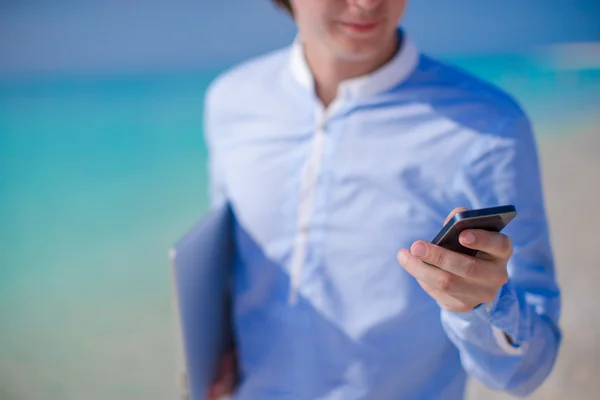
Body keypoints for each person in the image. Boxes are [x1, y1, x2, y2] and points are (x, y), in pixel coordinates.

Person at [203, 0, 561, 399]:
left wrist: (481, 305)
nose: (368, 3)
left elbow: (527, 371)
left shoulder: (490, 126)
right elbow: (223, 268)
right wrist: (211, 350)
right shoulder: (230, 100)